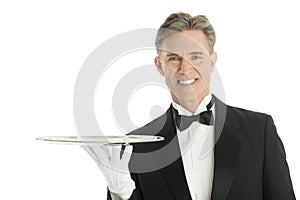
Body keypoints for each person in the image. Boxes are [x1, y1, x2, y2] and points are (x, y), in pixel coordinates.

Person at [84, 12, 296, 200]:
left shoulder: (259, 129)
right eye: (174, 58)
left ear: (212, 61)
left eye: (195, 56)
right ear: (159, 65)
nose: (185, 69)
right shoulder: (137, 146)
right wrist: (120, 192)